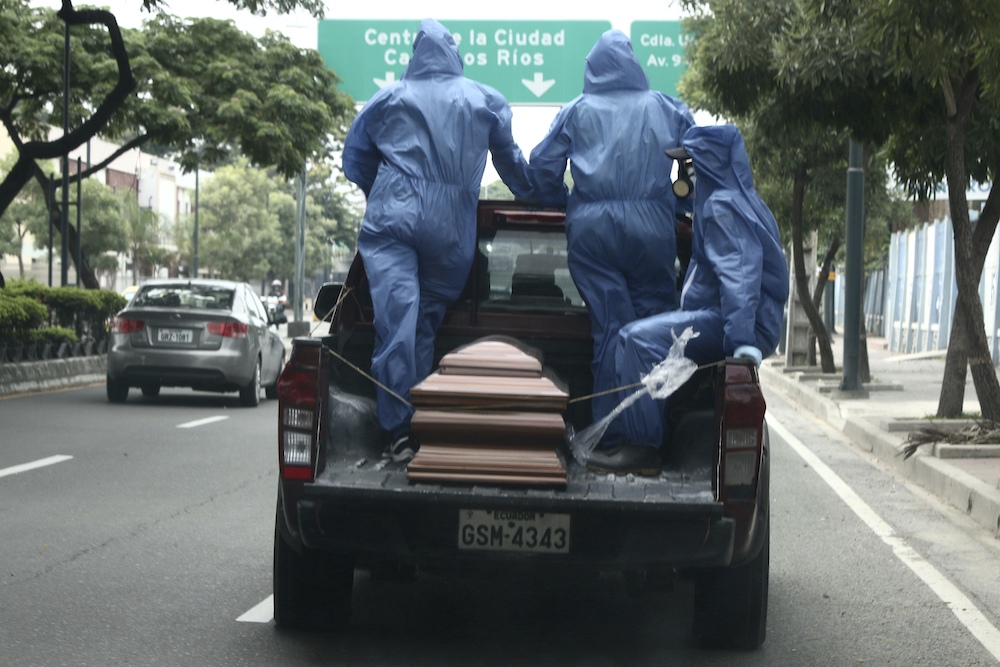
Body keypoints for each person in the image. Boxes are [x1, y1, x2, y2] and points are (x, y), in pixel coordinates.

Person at [342, 18, 537, 463]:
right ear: (455, 52)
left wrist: (386, 192)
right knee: (424, 324)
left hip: (393, 220)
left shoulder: (388, 97)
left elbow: (355, 157)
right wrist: (547, 194)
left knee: (397, 324)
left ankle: (399, 431)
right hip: (450, 228)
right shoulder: (484, 100)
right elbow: (511, 165)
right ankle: (416, 423)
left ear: (415, 54)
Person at [587, 123, 790, 475]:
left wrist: (741, 342)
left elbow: (739, 275)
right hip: (731, 317)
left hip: (740, 324)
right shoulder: (729, 199)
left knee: (636, 339)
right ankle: (645, 436)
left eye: (687, 165)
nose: (682, 173)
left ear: (705, 165)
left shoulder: (724, 207)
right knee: (636, 335)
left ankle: (642, 449)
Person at [526, 29, 697, 440]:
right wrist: (675, 204)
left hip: (593, 232)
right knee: (652, 333)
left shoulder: (576, 110)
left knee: (610, 331)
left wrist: (564, 199)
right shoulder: (667, 108)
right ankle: (648, 438)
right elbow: (695, 166)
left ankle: (610, 436)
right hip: (652, 231)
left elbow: (542, 166)